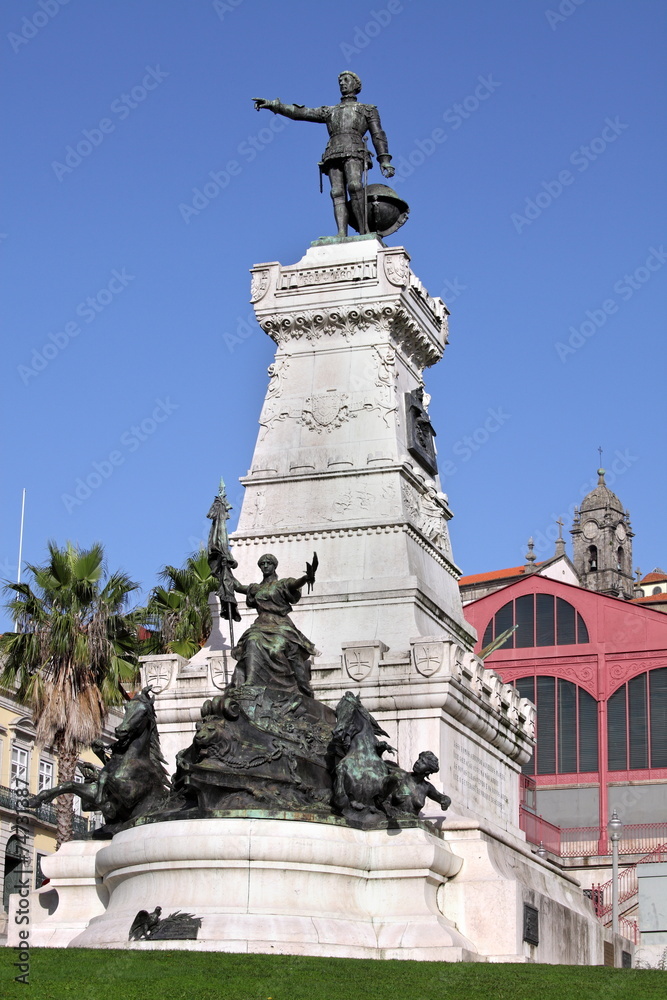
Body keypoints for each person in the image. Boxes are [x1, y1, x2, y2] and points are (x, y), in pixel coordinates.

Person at [253, 71, 395, 237]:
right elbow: (301, 113)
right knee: (336, 192)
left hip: (355, 150)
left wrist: (384, 160)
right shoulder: (330, 111)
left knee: (355, 186)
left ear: (356, 85)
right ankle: (341, 233)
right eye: (340, 81)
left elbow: (378, 135)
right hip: (333, 152)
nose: (342, 83)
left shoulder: (367, 110)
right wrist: (274, 105)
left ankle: (364, 231)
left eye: (346, 80)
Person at [231, 553, 318, 697]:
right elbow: (238, 587)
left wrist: (306, 578)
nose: (265, 566)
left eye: (268, 563)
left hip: (280, 625)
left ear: (274, 566)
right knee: (252, 641)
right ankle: (251, 682)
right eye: (262, 564)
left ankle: (300, 686)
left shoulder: (282, 584)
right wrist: (224, 570)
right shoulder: (256, 588)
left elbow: (295, 584)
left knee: (279, 647)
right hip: (260, 625)